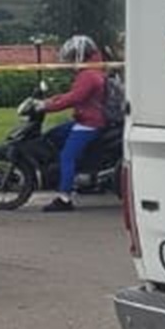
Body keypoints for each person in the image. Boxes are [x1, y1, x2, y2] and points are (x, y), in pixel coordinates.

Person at [31, 35, 109, 213]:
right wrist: (51, 100)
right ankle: (67, 174)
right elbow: (72, 94)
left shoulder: (88, 75)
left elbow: (74, 98)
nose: (70, 61)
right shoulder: (91, 71)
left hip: (90, 123)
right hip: (85, 119)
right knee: (54, 135)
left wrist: (47, 107)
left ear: (80, 55)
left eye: (72, 56)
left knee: (67, 157)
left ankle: (64, 198)